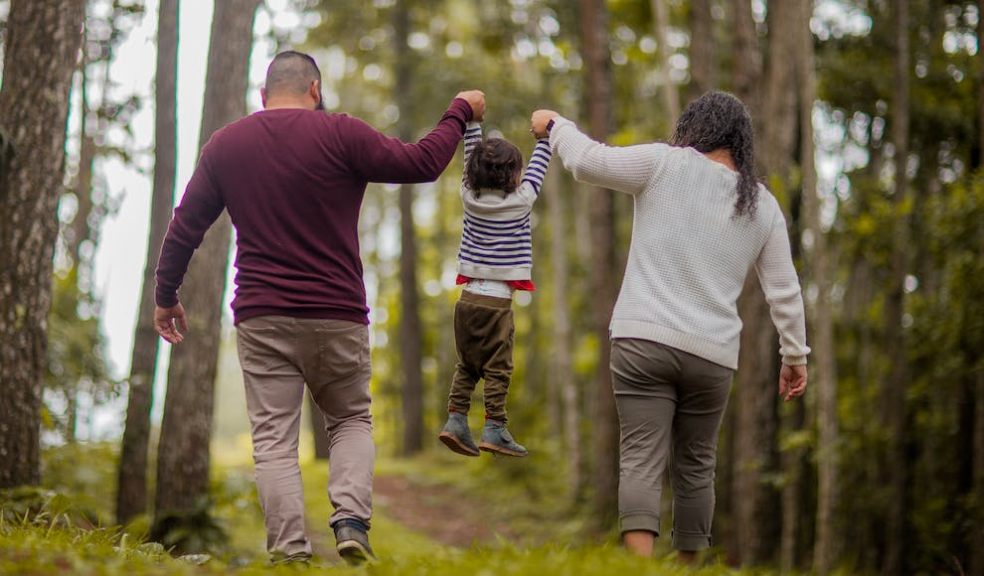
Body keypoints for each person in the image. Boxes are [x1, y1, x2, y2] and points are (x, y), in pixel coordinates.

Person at [153, 50, 485, 565]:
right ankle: (351, 520)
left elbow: (185, 227)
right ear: (315, 89)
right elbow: (422, 163)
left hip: (262, 316)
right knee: (351, 418)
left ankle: (289, 553)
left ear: (264, 97)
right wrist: (459, 110)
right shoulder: (341, 133)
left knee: (273, 442)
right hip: (337, 312)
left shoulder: (227, 145)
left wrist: (165, 295)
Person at [530, 91, 810, 563]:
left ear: (694, 128)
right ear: (741, 142)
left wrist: (557, 125)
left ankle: (639, 568)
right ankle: (688, 569)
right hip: (712, 356)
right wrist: (795, 356)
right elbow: (785, 290)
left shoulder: (663, 163)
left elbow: (587, 162)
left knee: (641, 456)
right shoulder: (762, 205)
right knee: (697, 467)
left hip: (643, 340)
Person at [437, 119, 552, 458]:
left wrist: (473, 123)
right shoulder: (522, 201)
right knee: (498, 368)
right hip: (497, 304)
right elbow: (539, 167)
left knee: (467, 365)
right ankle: (494, 427)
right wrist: (544, 137)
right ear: (512, 176)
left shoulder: (467, 197)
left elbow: (469, 154)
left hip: (467, 300)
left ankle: (456, 419)